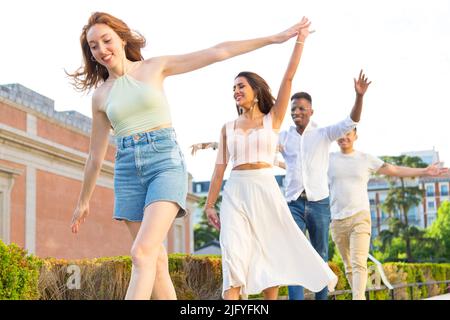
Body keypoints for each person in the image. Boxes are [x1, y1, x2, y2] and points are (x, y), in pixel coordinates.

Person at [68, 11, 312, 300]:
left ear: (121, 39)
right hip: (126, 172)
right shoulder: (100, 96)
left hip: (164, 163)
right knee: (155, 261)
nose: (101, 50)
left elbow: (217, 51)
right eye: (93, 46)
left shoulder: (154, 67)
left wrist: (274, 38)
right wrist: (84, 201)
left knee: (141, 252)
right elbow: (95, 156)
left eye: (106, 40)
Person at [205, 17, 338, 300]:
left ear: (255, 91)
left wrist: (299, 39)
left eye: (241, 86)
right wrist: (209, 204)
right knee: (232, 255)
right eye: (233, 88)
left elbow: (289, 77)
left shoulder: (272, 119)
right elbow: (218, 171)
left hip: (265, 189)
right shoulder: (227, 128)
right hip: (235, 191)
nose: (236, 91)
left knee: (271, 255)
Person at [278, 70, 371, 300]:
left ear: (311, 111)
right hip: (293, 204)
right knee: (293, 253)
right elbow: (257, 144)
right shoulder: (283, 137)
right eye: (293, 110)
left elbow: (352, 121)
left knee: (320, 255)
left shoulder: (323, 133)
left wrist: (359, 97)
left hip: (319, 204)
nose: (296, 113)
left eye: (301, 108)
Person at [328, 127, 449, 300]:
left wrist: (424, 171)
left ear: (355, 136)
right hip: (337, 220)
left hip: (360, 217)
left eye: (348, 133)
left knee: (358, 264)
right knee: (348, 266)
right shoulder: (328, 159)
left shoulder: (365, 159)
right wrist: (277, 162)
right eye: (340, 133)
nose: (344, 137)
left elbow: (393, 170)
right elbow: (305, 168)